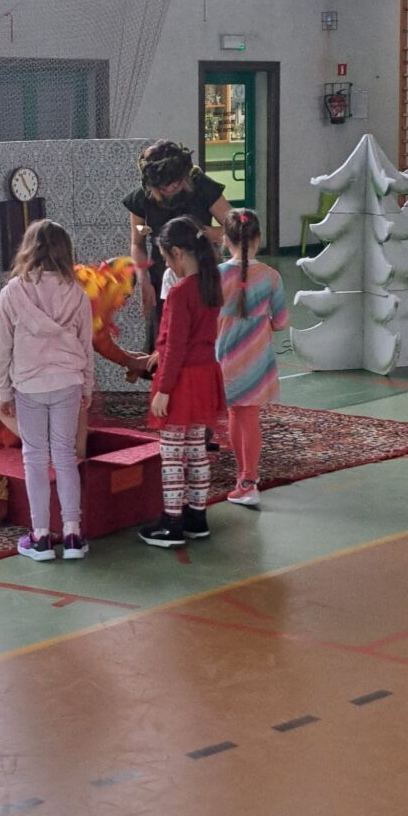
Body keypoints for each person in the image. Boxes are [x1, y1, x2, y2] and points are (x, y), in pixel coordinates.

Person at [0, 256, 146, 500]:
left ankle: (67, 473)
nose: (123, 303)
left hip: (39, 371)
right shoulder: (15, 332)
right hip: (12, 368)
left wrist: (132, 360)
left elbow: (98, 340)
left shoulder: (82, 303)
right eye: (125, 296)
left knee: (69, 404)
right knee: (1, 418)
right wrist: (42, 443)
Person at [0, 220, 94, 562]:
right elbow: (86, 345)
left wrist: (3, 390)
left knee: (34, 458)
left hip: (29, 385)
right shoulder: (77, 293)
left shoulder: (12, 293)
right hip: (68, 381)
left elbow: (2, 348)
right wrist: (87, 386)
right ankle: (73, 534)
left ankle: (40, 538)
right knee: (65, 456)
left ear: (28, 249)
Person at [140, 216, 226, 547]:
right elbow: (193, 338)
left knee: (172, 453)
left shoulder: (179, 293)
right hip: (205, 375)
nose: (167, 266)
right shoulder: (210, 285)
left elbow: (176, 347)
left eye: (166, 259)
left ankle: (172, 522)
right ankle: (196, 517)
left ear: (177, 252)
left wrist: (163, 390)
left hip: (181, 380)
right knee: (196, 449)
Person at [122, 140, 230, 352]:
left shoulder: (201, 186)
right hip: (162, 279)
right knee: (166, 343)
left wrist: (205, 233)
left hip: (204, 276)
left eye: (177, 183)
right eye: (165, 187)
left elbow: (237, 227)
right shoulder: (142, 198)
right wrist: (143, 279)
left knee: (203, 342)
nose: (172, 188)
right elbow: (137, 243)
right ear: (153, 186)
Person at [216, 208, 288, 509]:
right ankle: (248, 479)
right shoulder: (271, 276)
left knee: (235, 413)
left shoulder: (217, 276)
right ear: (258, 238)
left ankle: (244, 480)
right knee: (249, 417)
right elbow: (281, 322)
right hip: (258, 360)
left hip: (226, 358)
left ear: (225, 239)